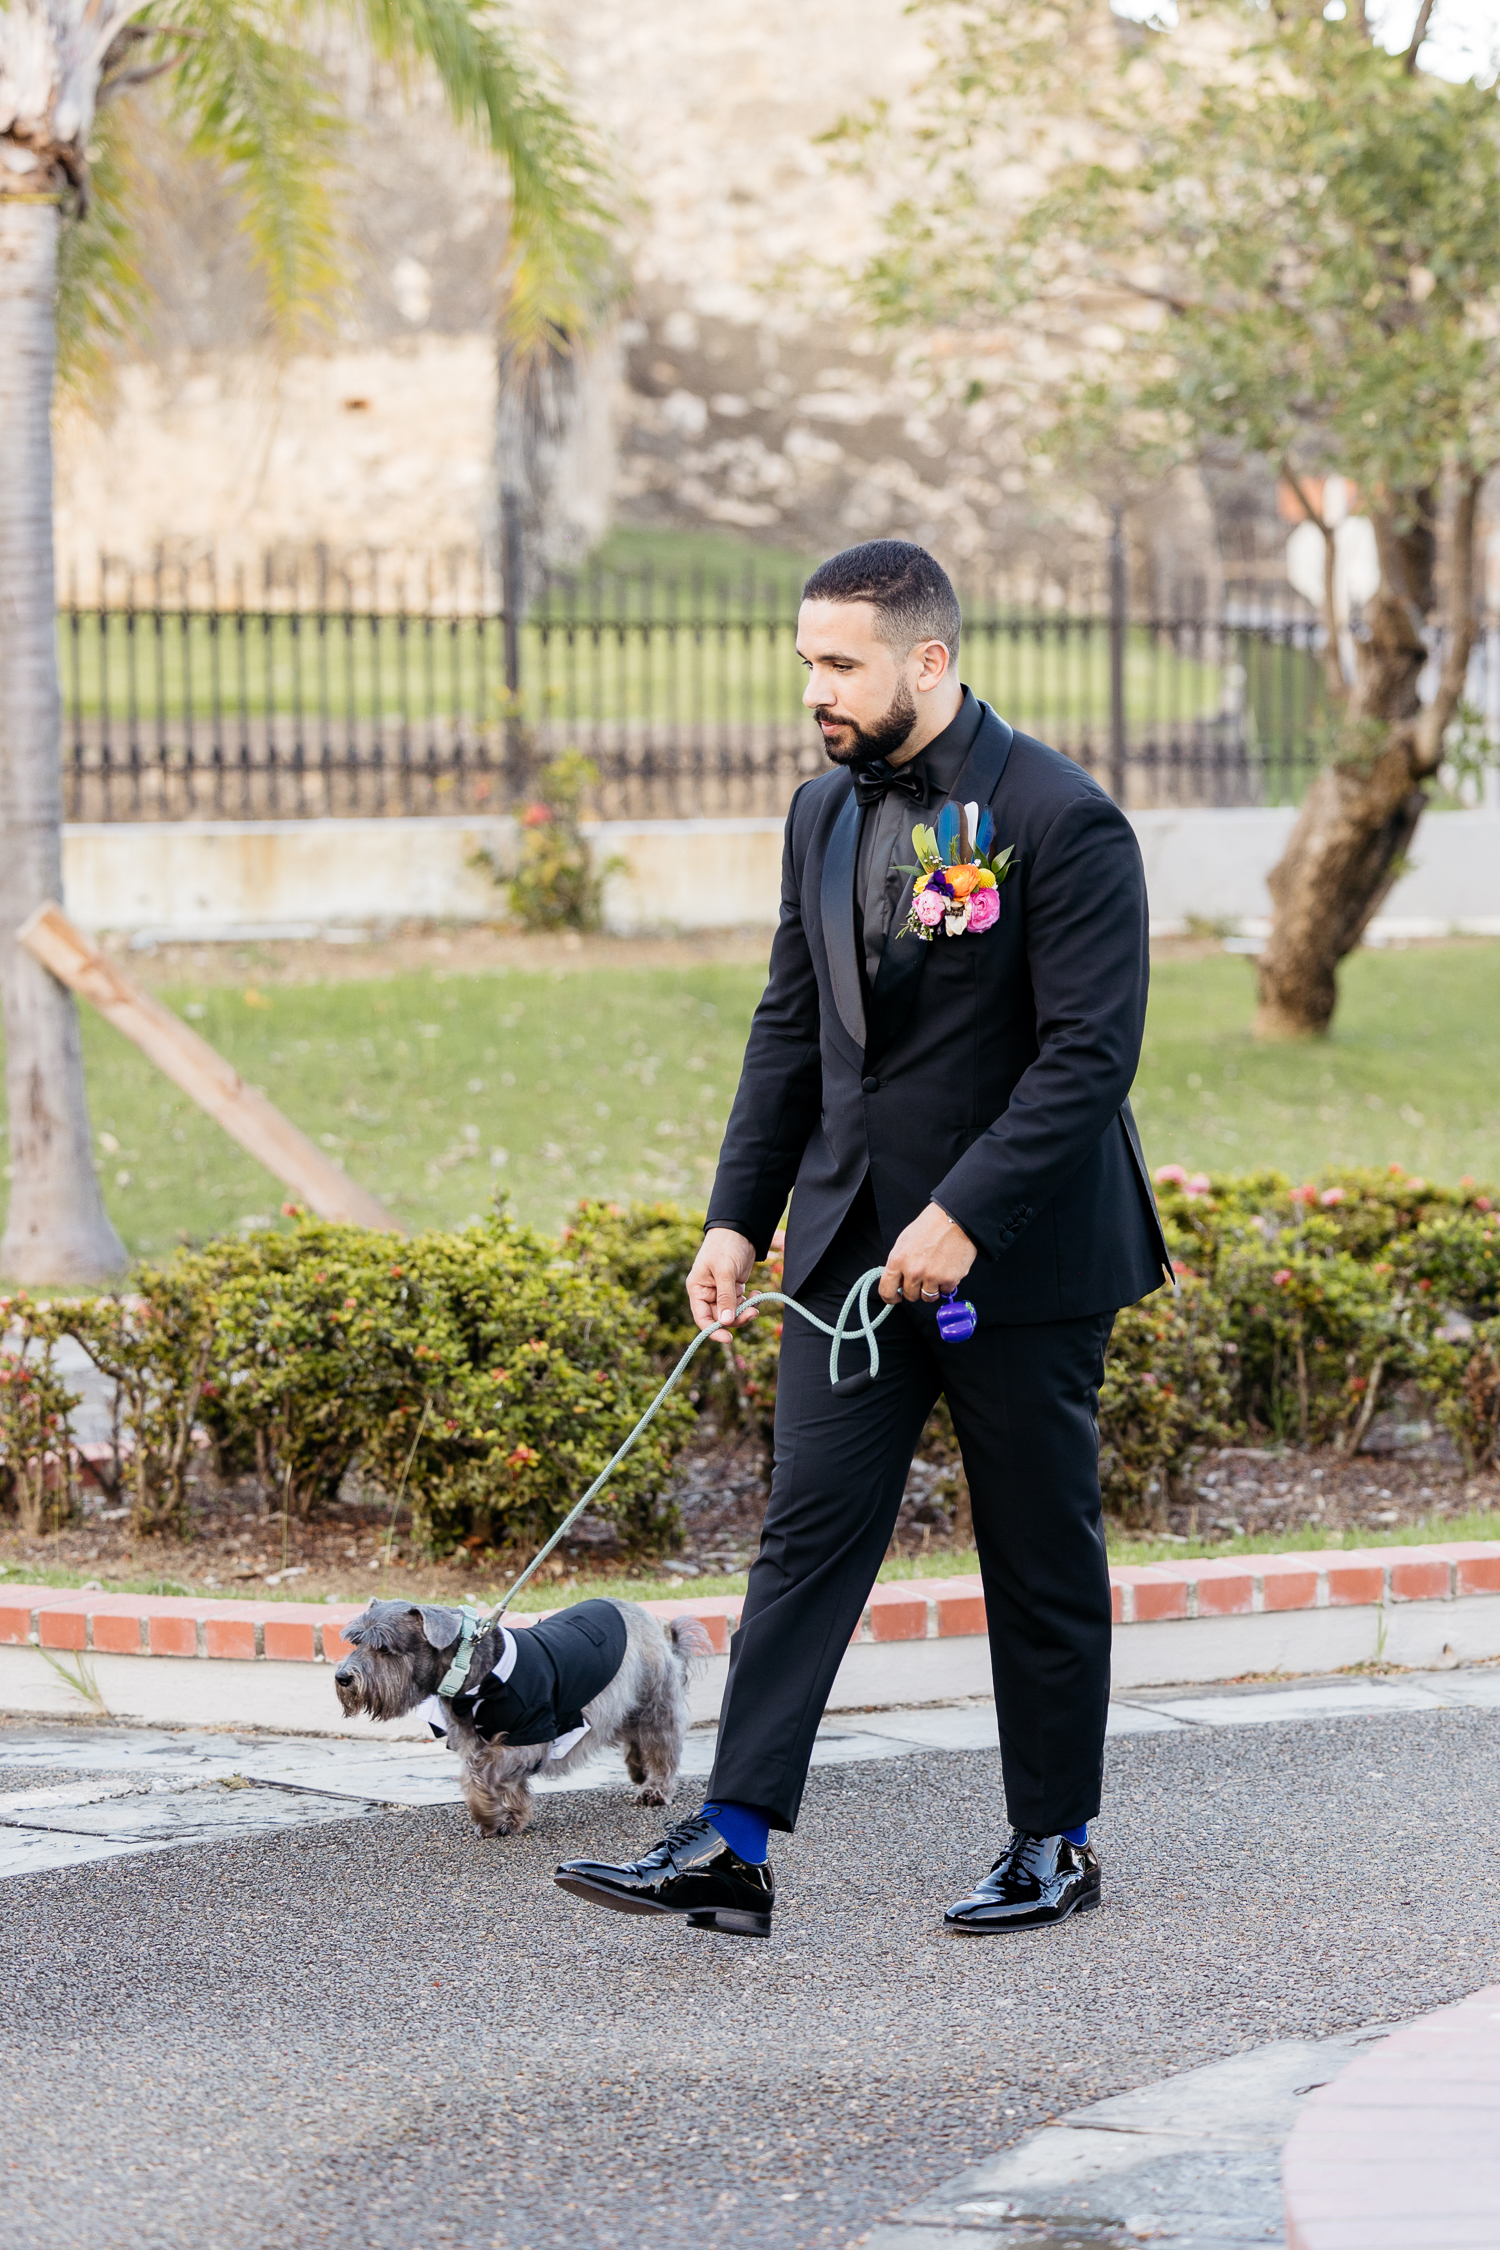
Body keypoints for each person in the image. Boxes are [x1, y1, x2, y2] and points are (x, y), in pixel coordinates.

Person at [554, 539, 1170, 1939]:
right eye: (807, 664)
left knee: (1037, 1548)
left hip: (1019, 1258)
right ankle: (731, 1839)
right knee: (804, 1538)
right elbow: (793, 1031)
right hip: (842, 1252)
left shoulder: (1062, 819)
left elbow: (1088, 1057)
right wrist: (736, 1211)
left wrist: (964, 1213)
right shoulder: (819, 815)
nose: (816, 691)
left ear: (929, 661)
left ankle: (1054, 1838)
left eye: (841, 664)